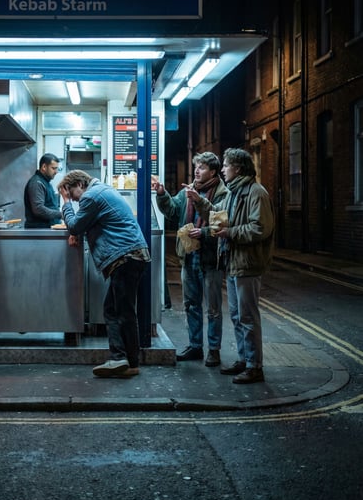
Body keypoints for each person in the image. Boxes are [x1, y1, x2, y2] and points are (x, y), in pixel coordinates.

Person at [191, 147, 274, 384]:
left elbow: (260, 228)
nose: (223, 170)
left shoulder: (256, 193)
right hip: (233, 262)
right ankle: (243, 360)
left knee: (248, 316)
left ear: (238, 168)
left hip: (248, 263)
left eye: (226, 165)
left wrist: (230, 232)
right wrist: (200, 202)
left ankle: (254, 366)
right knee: (237, 316)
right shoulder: (234, 192)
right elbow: (218, 213)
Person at [57, 169, 151, 378]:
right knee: (113, 309)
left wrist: (66, 204)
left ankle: (126, 361)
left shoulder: (91, 196)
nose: (73, 199)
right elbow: (85, 225)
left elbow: (74, 225)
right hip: (129, 255)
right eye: (70, 198)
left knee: (123, 312)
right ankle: (122, 359)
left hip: (125, 257)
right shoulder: (100, 191)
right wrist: (78, 231)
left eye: (71, 194)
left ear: (80, 184)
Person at [152, 152, 228, 366]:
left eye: (202, 167)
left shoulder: (223, 193)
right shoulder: (189, 190)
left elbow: (221, 223)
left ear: (213, 171)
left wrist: (202, 233)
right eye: (196, 166)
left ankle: (214, 350)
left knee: (212, 308)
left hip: (210, 257)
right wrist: (162, 194)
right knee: (191, 305)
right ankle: (195, 346)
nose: (197, 170)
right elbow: (173, 212)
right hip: (189, 255)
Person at [24, 153, 62, 228]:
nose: (56, 172)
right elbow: (38, 209)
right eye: (53, 168)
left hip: (46, 230)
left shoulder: (45, 182)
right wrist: (60, 214)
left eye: (57, 169)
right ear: (44, 167)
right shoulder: (37, 183)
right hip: (39, 232)